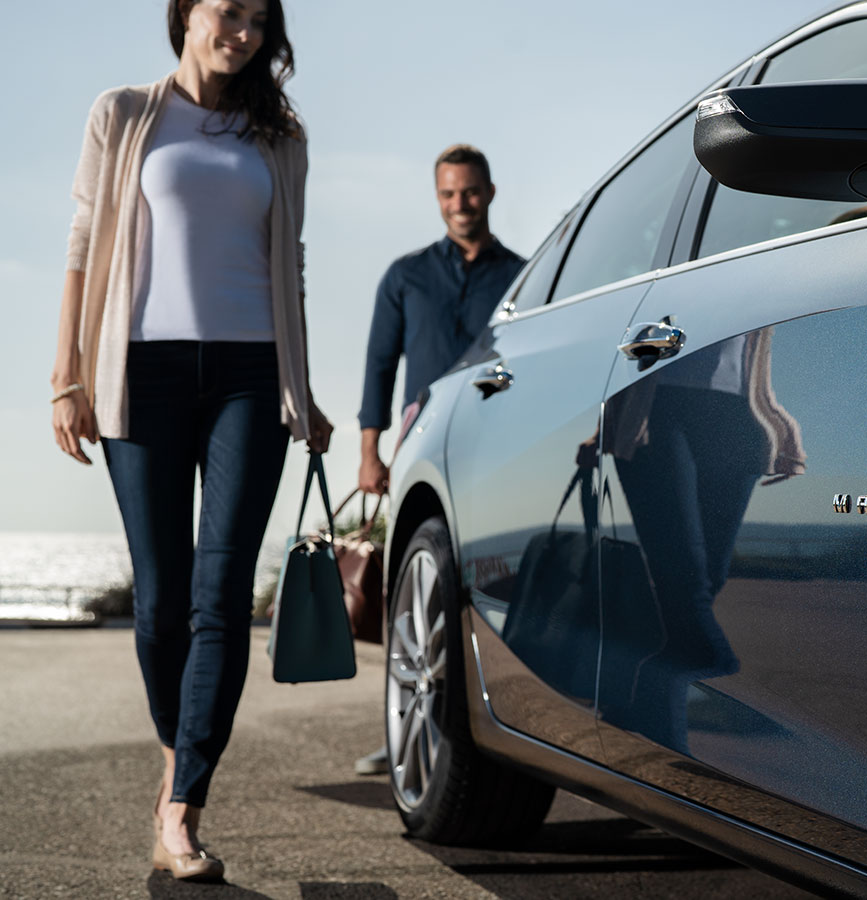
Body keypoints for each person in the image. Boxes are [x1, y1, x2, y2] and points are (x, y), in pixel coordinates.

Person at [49, 0, 331, 882]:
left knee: (223, 595)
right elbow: (83, 245)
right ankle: (178, 751)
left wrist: (302, 385)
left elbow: (289, 263)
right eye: (226, 11)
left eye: (258, 19)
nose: (241, 31)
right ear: (185, 13)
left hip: (251, 374)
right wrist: (67, 375)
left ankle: (183, 808)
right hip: (143, 371)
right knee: (162, 601)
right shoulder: (124, 113)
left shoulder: (281, 135)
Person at [355, 144, 525, 773]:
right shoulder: (405, 276)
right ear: (437, 197)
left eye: (470, 192)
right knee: (413, 586)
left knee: (486, 580)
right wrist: (369, 452)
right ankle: (405, 724)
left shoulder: (523, 278)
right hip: (419, 449)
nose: (461, 204)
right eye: (449, 194)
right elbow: (379, 364)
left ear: (490, 192)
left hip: (495, 446)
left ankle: (495, 722)